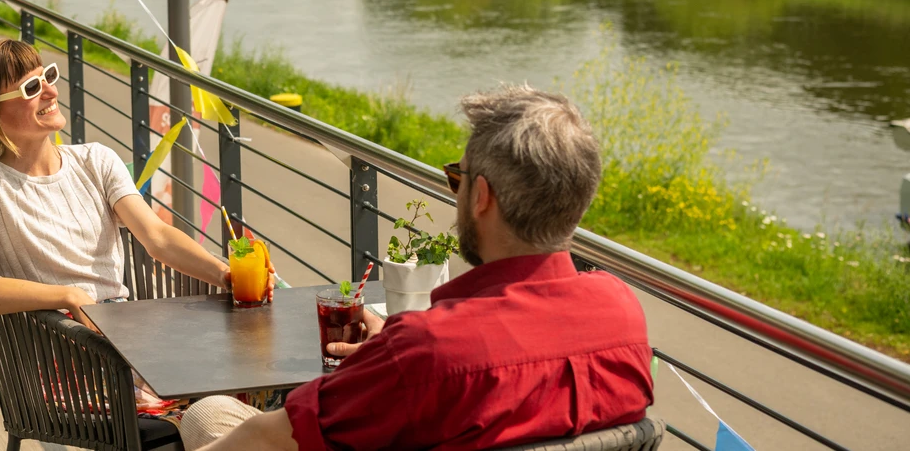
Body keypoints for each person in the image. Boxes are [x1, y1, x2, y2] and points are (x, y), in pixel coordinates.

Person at [182, 85, 654, 451]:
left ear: (483, 196)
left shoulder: (428, 351)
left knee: (208, 416)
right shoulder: (623, 313)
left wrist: (397, 351)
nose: (457, 193)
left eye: (458, 178)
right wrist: (394, 342)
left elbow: (273, 438)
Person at [0, 37, 270, 332]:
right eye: (31, 87)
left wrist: (225, 275)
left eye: (48, 76)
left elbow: (156, 236)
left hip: (124, 339)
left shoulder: (96, 160)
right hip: (64, 359)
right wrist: (67, 297)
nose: (50, 91)